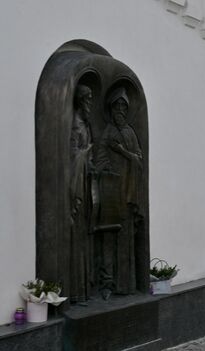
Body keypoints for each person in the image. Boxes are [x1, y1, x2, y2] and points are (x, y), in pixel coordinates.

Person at [94, 87, 144, 299]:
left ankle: (127, 284)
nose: (121, 110)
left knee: (126, 240)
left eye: (124, 106)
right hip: (112, 193)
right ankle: (108, 283)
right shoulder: (108, 132)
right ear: (111, 108)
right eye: (117, 105)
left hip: (129, 192)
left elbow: (139, 159)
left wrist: (125, 153)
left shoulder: (131, 132)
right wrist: (107, 167)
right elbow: (100, 159)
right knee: (109, 238)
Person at [69, 84, 94, 303]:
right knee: (77, 236)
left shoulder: (85, 124)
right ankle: (77, 290)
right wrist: (85, 155)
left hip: (86, 184)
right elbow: (73, 155)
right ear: (80, 101)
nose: (90, 105)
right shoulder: (76, 124)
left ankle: (85, 288)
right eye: (88, 100)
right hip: (77, 186)